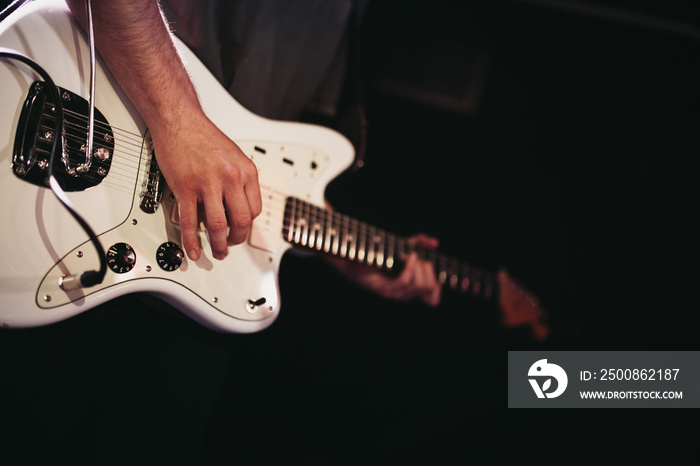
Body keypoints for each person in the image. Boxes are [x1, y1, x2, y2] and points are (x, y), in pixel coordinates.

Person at [3, 0, 547, 463]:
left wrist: (345, 254)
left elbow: (276, 157)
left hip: (201, 288)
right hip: (77, 179)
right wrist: (180, 123)